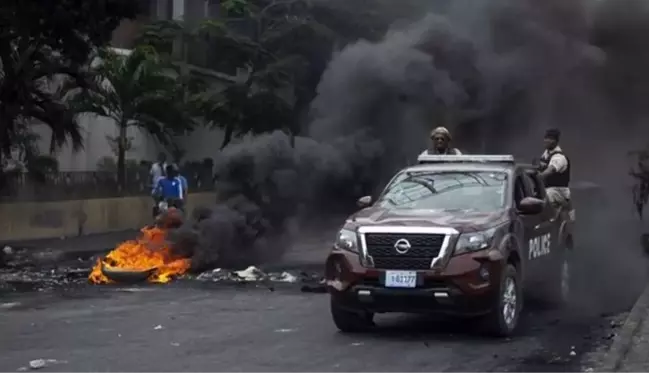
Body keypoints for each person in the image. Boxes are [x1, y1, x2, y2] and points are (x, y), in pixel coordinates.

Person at [538, 128, 574, 220]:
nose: (546, 140)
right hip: (549, 190)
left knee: (546, 197)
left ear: (555, 141)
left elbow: (550, 170)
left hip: (559, 193)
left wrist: (537, 177)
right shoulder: (546, 154)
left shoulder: (559, 157)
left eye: (550, 138)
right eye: (546, 138)